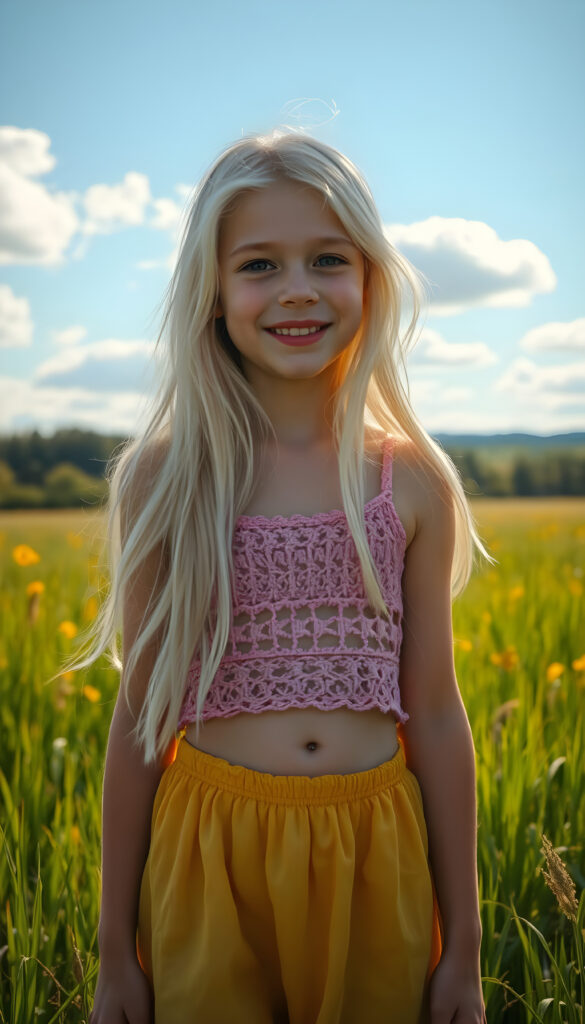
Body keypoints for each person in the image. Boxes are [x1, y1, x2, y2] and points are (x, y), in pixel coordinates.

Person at [85, 131, 487, 1024]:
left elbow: (435, 712)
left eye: (327, 259)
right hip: (211, 850)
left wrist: (462, 948)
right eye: (259, 264)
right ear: (213, 293)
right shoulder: (167, 478)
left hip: (373, 847)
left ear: (370, 279)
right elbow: (141, 718)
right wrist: (116, 953)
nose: (297, 288)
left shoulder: (409, 481)